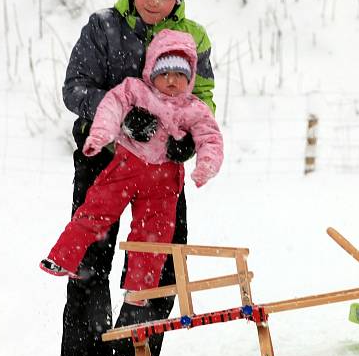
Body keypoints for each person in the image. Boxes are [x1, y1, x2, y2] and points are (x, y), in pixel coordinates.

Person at [57, 0, 216, 356]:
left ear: (178, 0)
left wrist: (186, 137)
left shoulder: (193, 37)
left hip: (162, 167)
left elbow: (203, 98)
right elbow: (75, 89)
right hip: (102, 158)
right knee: (90, 254)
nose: (152, 1)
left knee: (160, 255)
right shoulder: (102, 26)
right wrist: (125, 117)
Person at [42, 30, 223, 296]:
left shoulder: (195, 109)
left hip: (165, 180)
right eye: (164, 73)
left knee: (154, 234)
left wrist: (205, 164)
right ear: (151, 71)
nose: (171, 81)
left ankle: (140, 288)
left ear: (191, 77)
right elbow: (111, 108)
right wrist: (100, 135)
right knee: (96, 210)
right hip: (127, 167)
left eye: (180, 75)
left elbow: (211, 137)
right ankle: (63, 256)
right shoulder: (135, 91)